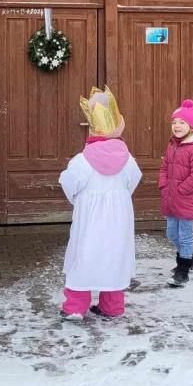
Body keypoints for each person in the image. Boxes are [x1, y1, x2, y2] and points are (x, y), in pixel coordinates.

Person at [58, 87, 142, 321]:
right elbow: (133, 181)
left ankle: (75, 307)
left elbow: (68, 183)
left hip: (90, 221)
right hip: (118, 220)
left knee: (83, 256)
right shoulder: (128, 160)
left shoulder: (82, 161)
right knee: (115, 258)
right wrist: (119, 199)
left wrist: (79, 201)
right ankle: (112, 306)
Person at [159, 99, 193, 288]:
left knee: (185, 235)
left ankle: (183, 269)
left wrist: (181, 190)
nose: (177, 126)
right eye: (174, 122)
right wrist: (164, 185)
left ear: (191, 126)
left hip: (187, 200)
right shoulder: (173, 145)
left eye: (182, 122)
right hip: (171, 198)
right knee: (172, 233)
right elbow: (164, 167)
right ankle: (189, 259)